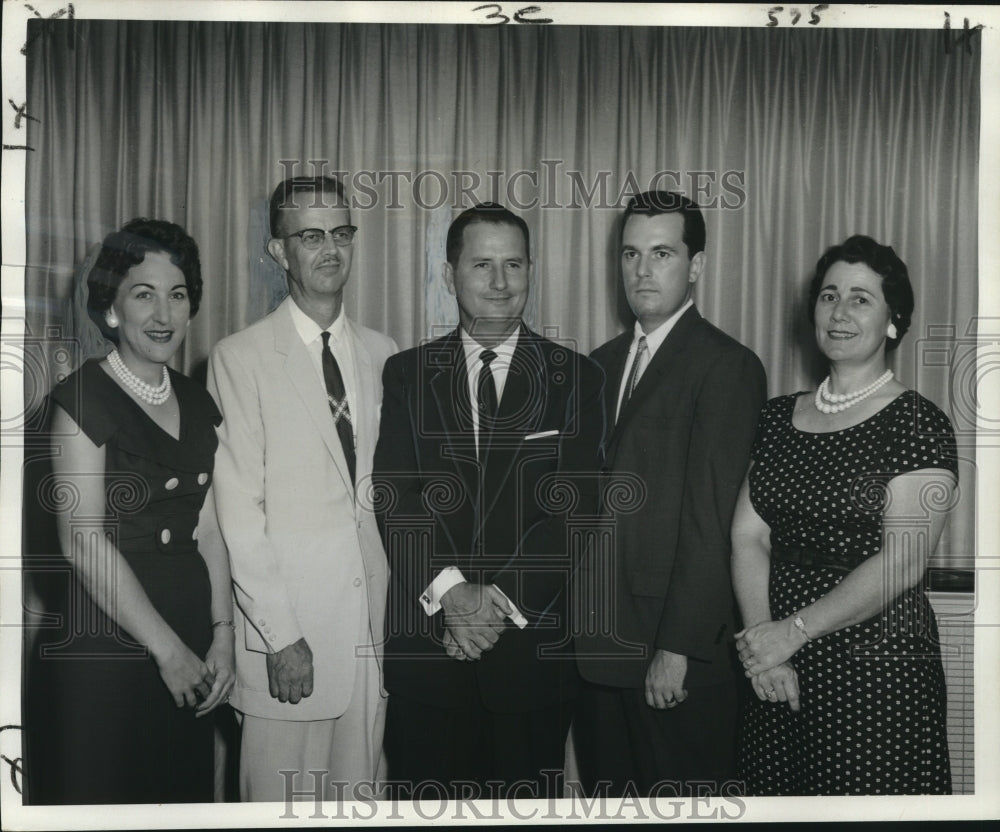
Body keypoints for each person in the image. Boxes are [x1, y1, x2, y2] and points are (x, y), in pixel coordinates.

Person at [372, 202, 604, 798]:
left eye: (514, 265)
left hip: (530, 665)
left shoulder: (576, 377)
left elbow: (576, 507)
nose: (500, 283)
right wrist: (451, 595)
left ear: (531, 270)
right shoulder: (406, 374)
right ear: (449, 275)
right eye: (482, 265)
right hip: (429, 658)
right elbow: (398, 496)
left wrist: (495, 603)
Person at [732, 234, 957, 795]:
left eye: (861, 298)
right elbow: (747, 538)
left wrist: (794, 632)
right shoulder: (778, 418)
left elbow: (903, 562)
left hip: (875, 666)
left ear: (892, 320)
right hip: (775, 665)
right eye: (829, 295)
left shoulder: (918, 424)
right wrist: (766, 647)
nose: (839, 311)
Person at [24, 218, 235, 804]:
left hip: (192, 643)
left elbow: (211, 530)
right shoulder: (83, 398)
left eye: (177, 295)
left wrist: (222, 635)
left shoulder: (197, 400)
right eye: (143, 295)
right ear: (111, 310)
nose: (163, 314)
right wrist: (168, 652)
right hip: (106, 647)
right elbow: (83, 540)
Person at [207, 175, 396, 801]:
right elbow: (238, 513)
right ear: (277, 251)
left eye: (341, 233)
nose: (330, 249)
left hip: (370, 640)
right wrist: (281, 636)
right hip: (288, 647)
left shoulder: (381, 353)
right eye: (309, 236)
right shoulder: (241, 357)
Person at [572, 191, 767, 795]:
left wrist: (677, 648)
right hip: (597, 651)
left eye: (661, 253)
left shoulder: (727, 366)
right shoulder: (598, 365)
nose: (641, 270)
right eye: (630, 254)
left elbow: (714, 520)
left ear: (697, 266)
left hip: (672, 654)